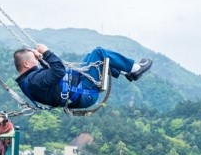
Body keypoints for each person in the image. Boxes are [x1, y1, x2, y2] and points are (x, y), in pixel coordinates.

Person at [13, 44, 152, 109]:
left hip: (77, 86)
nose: (36, 60)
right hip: (83, 93)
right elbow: (58, 71)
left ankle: (124, 71)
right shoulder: (33, 81)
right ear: (26, 63)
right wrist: (47, 52)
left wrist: (41, 58)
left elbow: (49, 73)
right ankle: (134, 69)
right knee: (99, 52)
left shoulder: (30, 79)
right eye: (34, 59)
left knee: (91, 56)